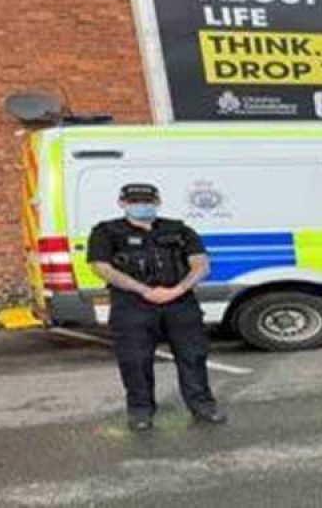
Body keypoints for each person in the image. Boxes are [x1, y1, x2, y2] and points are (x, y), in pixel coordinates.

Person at [87, 183, 226, 431]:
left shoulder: (179, 229)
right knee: (135, 361)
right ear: (122, 204)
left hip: (180, 301)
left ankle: (203, 406)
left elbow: (201, 264)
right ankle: (141, 411)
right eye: (135, 201)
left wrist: (178, 290)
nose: (142, 206)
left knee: (193, 356)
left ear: (158, 201)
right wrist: (145, 291)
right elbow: (101, 267)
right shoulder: (106, 232)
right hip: (132, 304)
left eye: (147, 201)